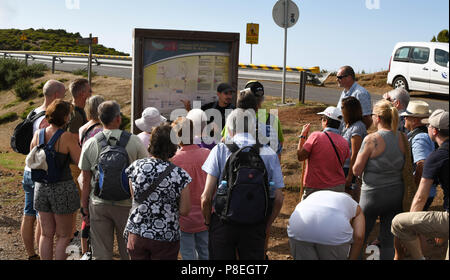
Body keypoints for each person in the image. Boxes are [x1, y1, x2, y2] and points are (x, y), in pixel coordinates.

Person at [201, 101, 284, 260]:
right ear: (254, 129)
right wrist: (266, 226)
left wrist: (208, 222)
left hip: (223, 222)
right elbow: (279, 198)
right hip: (256, 223)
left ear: (230, 129)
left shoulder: (220, 150)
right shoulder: (268, 153)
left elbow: (205, 198)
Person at [79, 101, 148, 260]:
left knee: (101, 252)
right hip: (127, 205)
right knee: (128, 250)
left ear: (100, 119)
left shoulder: (90, 143)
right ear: (118, 118)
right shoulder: (134, 141)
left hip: (99, 203)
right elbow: (144, 172)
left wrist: (84, 208)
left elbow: (85, 179)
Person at [124, 123, 191, 260]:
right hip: (166, 235)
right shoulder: (180, 175)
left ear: (151, 143)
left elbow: (134, 196)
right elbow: (184, 210)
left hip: (137, 231)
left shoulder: (136, 167)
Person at [391, 109, 449, 260]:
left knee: (399, 223)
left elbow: (420, 197)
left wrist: (411, 224)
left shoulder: (436, 157)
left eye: (428, 126)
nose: (427, 128)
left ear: (435, 131)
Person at [353, 99, 407, 260]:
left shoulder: (372, 139)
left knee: (360, 236)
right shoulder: (402, 138)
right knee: (388, 239)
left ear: (378, 118)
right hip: (396, 193)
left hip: (372, 194)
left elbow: (356, 169)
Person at [30, 99, 81, 260]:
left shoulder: (39, 134)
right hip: (62, 188)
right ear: (66, 117)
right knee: (64, 235)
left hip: (41, 187)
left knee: (46, 234)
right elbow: (80, 160)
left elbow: (32, 156)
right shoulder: (66, 137)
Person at [21, 80, 66, 260]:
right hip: (41, 173)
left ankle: (32, 254)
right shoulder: (47, 118)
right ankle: (42, 253)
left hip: (28, 169)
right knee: (42, 216)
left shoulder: (33, 112)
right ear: (55, 96)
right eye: (62, 95)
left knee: (28, 213)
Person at [170, 117, 210, 260]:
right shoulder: (207, 154)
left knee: (187, 254)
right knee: (205, 253)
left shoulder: (174, 160)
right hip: (205, 214)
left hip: (183, 217)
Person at [287, 191, 365, 260]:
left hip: (298, 226)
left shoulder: (315, 195)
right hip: (332, 231)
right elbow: (359, 236)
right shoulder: (354, 205)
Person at [297, 106, 350, 200]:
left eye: (322, 119)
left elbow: (300, 156)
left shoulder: (316, 136)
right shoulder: (344, 142)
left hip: (315, 187)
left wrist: (303, 136)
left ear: (325, 120)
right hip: (337, 187)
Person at [77, 95, 105, 255]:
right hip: (100, 176)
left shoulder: (83, 128)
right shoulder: (103, 130)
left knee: (85, 215)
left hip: (85, 173)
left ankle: (85, 250)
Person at [67, 78, 92, 245]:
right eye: (89, 91)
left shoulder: (76, 111)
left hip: (75, 164)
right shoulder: (76, 114)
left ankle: (71, 234)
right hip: (75, 164)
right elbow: (76, 141)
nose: (91, 94)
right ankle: (71, 237)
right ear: (83, 94)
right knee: (78, 201)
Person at [401, 100, 437, 210]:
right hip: (425, 191)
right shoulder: (422, 134)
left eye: (407, 116)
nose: (404, 119)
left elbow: (421, 164)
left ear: (415, 120)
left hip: (421, 191)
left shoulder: (419, 137)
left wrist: (415, 187)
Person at [340, 97, 367, 202]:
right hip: (342, 167)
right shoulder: (345, 124)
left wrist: (350, 176)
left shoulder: (357, 127)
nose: (341, 109)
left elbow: (355, 153)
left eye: (342, 107)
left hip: (349, 169)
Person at [336, 66, 373, 130]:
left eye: (339, 77)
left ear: (349, 78)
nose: (337, 79)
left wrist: (356, 134)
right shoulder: (344, 92)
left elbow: (367, 119)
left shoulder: (360, 94)